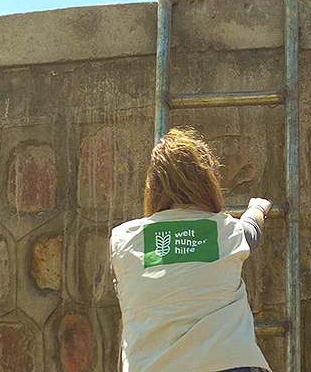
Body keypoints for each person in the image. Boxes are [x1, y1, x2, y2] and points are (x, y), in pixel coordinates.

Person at [110, 127, 273, 372]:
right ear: (208, 182)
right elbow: (252, 231)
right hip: (228, 364)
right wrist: (257, 209)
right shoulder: (225, 231)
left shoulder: (123, 239)